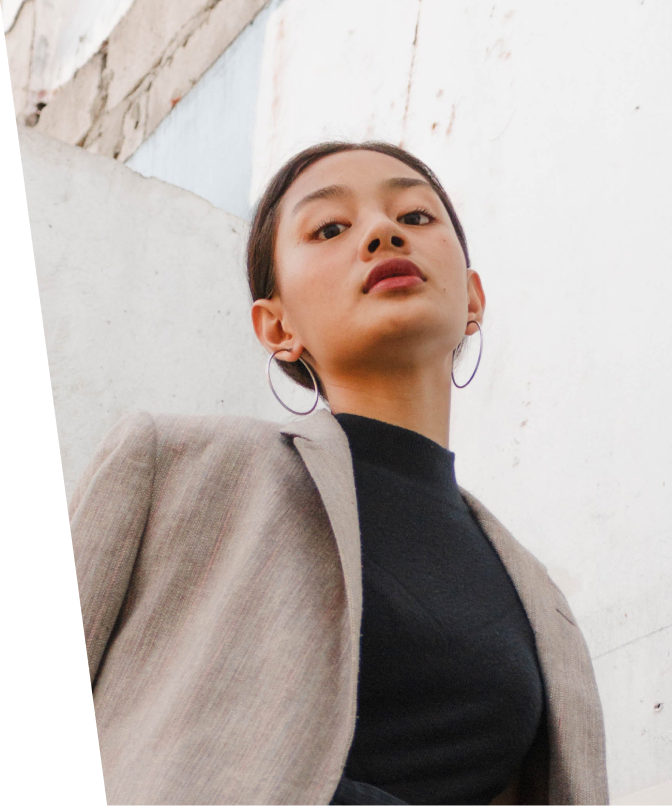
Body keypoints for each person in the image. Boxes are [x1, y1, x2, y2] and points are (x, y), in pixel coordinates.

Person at [70, 140, 609, 806]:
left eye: (414, 217)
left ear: (473, 297)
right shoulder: (174, 465)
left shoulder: (541, 603)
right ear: (277, 327)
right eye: (330, 228)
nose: (383, 233)